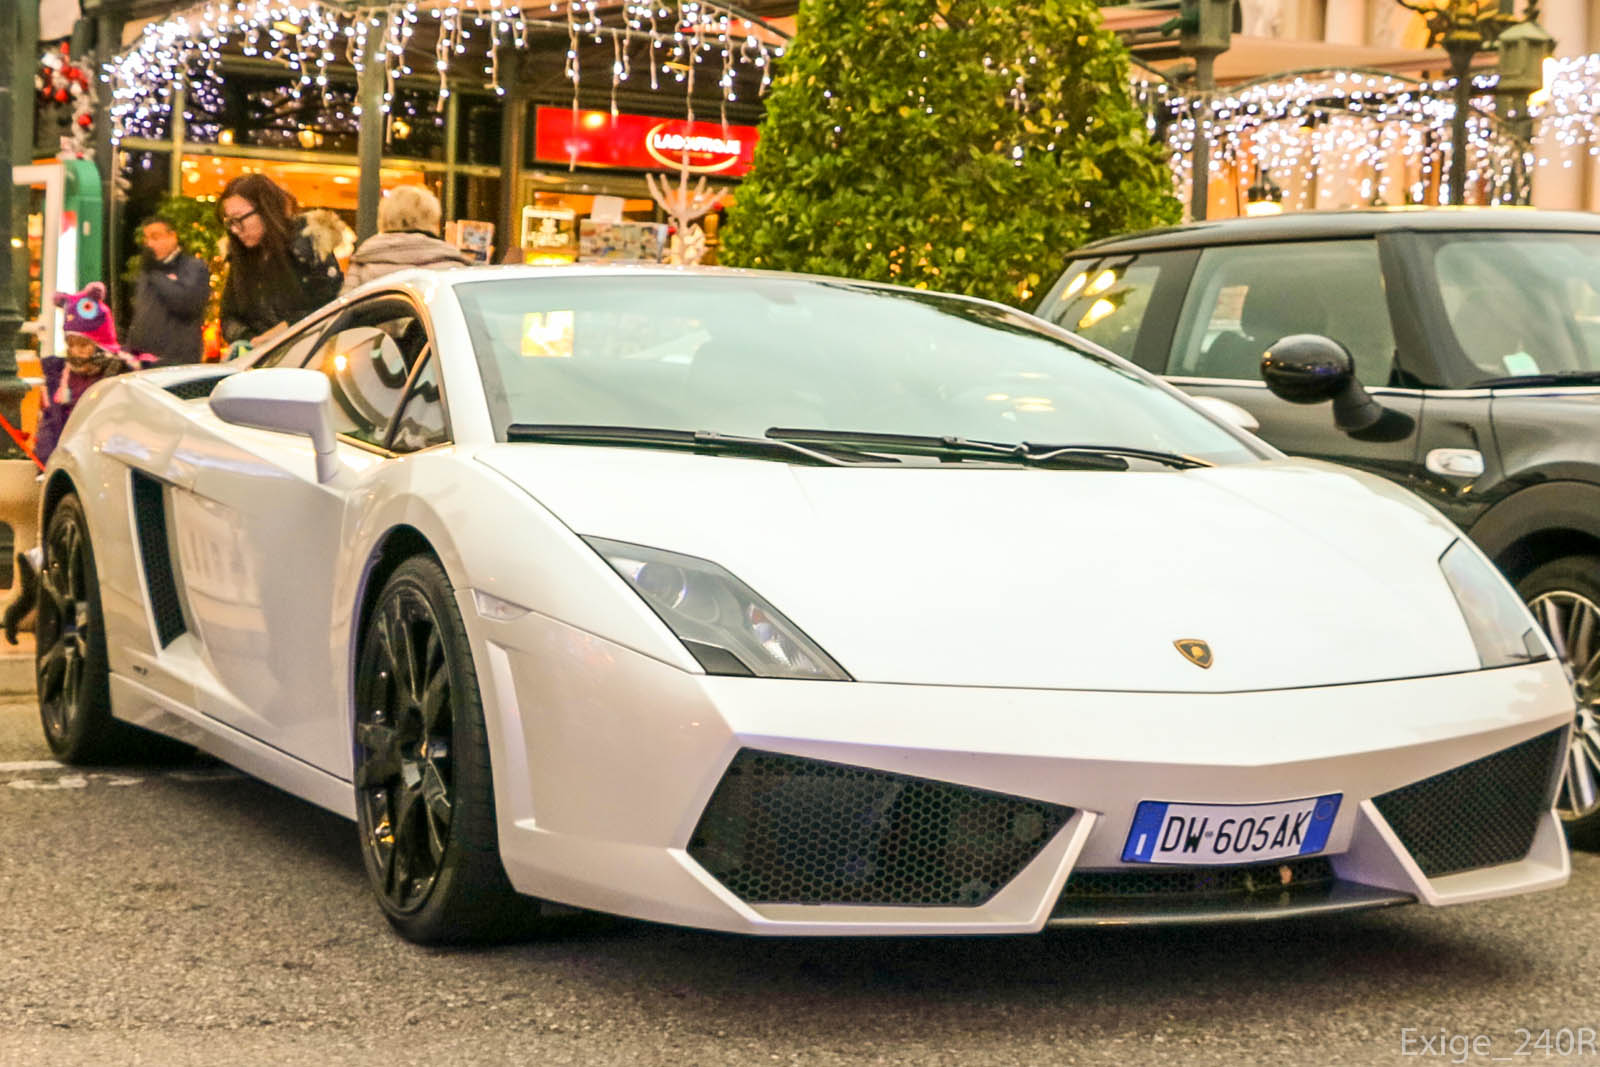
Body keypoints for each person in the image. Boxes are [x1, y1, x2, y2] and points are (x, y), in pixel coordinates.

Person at [6, 283, 151, 643]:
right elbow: (52, 425)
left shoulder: (124, 376)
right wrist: (48, 460)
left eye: (83, 343)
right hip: (68, 467)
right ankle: (41, 583)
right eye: (70, 343)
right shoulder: (60, 379)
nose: (76, 351)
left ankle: (45, 581)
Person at [217, 173, 344, 352]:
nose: (236, 229)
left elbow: (330, 307)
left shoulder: (308, 246)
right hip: (261, 363)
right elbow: (229, 315)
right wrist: (250, 340)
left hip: (309, 360)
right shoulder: (240, 255)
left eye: (240, 219)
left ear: (265, 210)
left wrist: (285, 330)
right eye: (230, 222)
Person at [340, 185, 470, 294]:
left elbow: (346, 311)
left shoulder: (365, 260)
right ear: (431, 217)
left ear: (385, 216)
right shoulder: (453, 265)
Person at [125, 216, 211, 365]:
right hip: (143, 360)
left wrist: (156, 274)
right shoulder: (148, 271)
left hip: (176, 361)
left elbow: (186, 304)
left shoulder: (193, 266)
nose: (150, 244)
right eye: (147, 238)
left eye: (155, 237)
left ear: (173, 236)